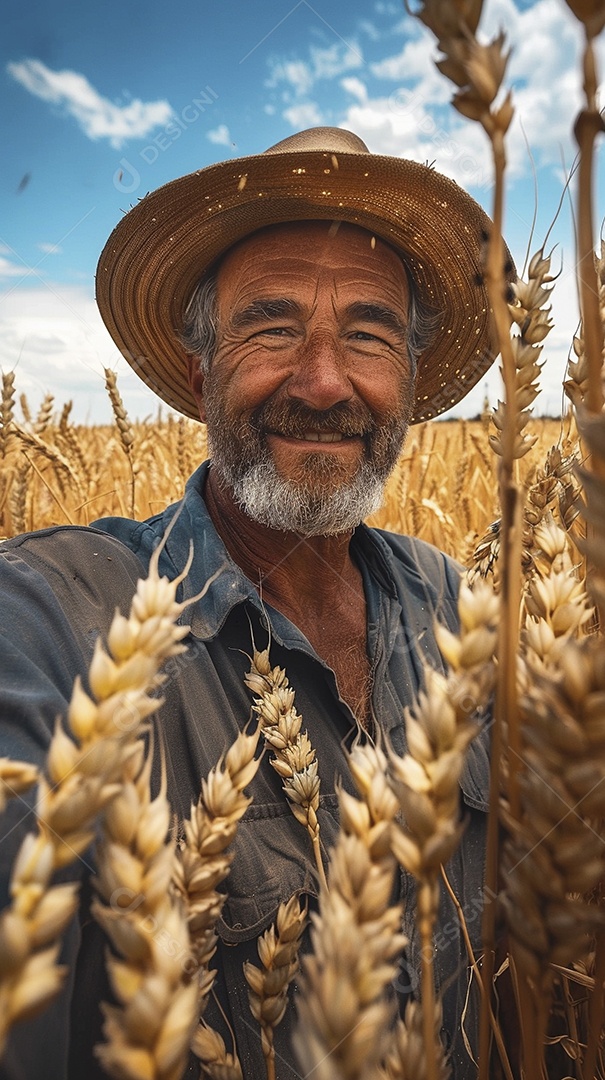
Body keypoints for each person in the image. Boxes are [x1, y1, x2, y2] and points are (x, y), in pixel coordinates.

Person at [0, 127, 503, 1079]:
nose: (322, 381)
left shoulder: (459, 609)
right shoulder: (57, 617)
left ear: (407, 387)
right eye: (271, 325)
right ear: (199, 375)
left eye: (367, 333)